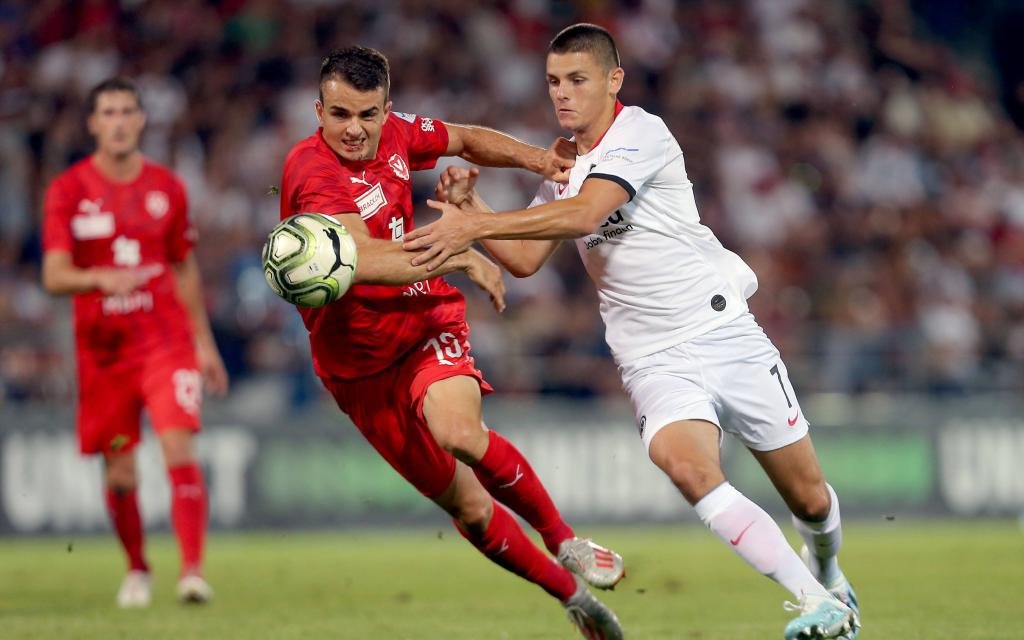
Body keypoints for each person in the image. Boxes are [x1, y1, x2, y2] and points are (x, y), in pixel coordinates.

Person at [404, 24, 861, 640]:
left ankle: (829, 573)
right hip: (650, 358)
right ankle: (817, 604)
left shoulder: (641, 132)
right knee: (686, 466)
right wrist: (472, 217)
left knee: (808, 499)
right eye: (552, 82)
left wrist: (475, 228)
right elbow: (526, 258)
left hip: (721, 329)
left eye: (576, 80)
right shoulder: (562, 164)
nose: (561, 94)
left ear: (613, 80)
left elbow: (587, 213)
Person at [278, 47, 624, 638]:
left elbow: (463, 139)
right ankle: (572, 596)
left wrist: (540, 161)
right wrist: (461, 253)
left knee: (458, 432)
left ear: (387, 109)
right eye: (339, 115)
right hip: (358, 371)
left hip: (424, 324)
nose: (354, 130)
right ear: (318, 110)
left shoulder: (395, 136)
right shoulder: (313, 173)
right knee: (469, 509)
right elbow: (365, 260)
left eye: (368, 114)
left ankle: (566, 541)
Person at [41, 77, 228, 608]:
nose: (119, 121)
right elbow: (54, 275)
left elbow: (184, 268)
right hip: (104, 356)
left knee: (177, 444)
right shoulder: (68, 191)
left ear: (141, 120)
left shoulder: (167, 188)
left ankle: (192, 572)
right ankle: (138, 567)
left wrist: (204, 345)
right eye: (109, 112)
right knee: (120, 471)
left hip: (164, 344)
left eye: (128, 111)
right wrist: (97, 280)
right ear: (93, 124)